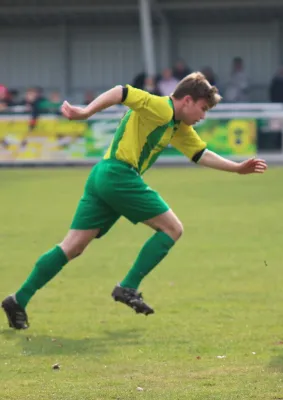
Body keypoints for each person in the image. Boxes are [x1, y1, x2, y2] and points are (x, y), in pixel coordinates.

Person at [2, 72, 267, 330]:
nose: (203, 115)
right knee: (172, 229)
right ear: (186, 100)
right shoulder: (162, 108)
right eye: (203, 108)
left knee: (72, 247)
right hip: (119, 175)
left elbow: (200, 154)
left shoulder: (176, 125)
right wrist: (85, 113)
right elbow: (122, 92)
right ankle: (127, 286)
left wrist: (236, 168)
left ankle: (18, 299)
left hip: (102, 174)